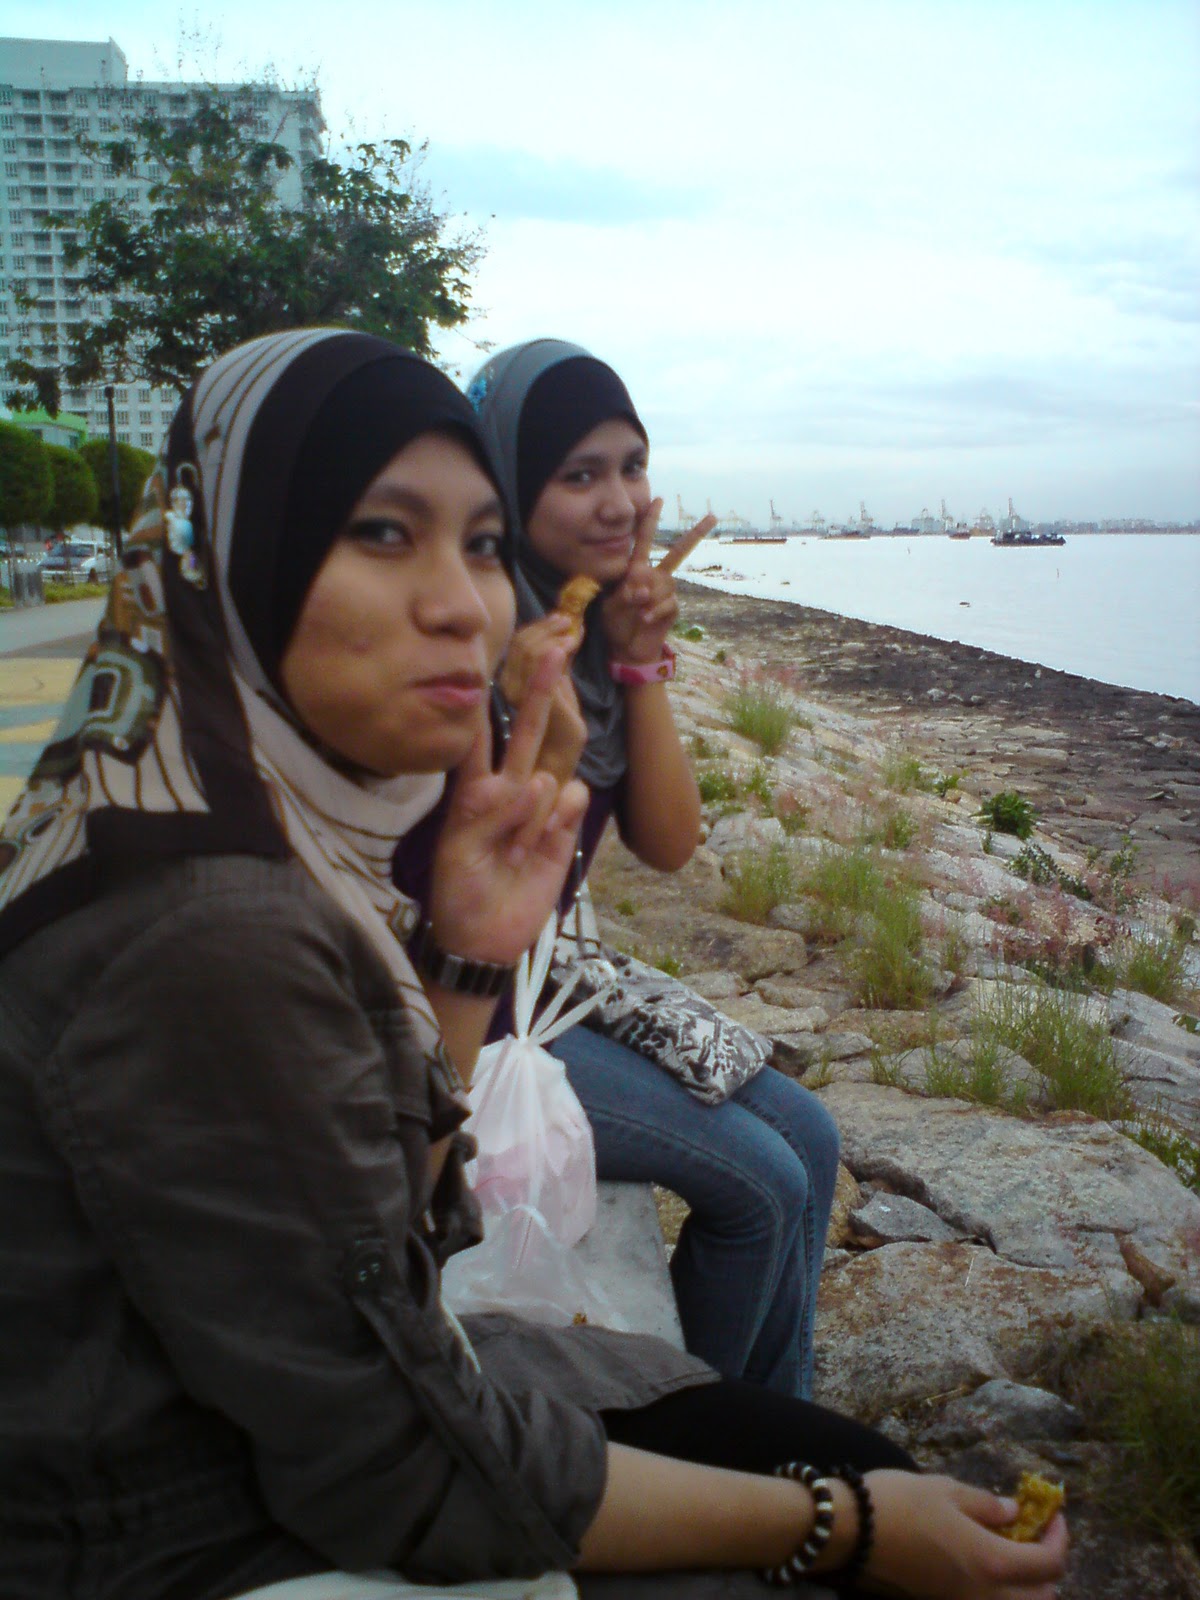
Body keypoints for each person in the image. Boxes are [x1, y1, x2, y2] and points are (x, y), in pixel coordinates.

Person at [0, 329, 1067, 1600]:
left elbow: (377, 1224)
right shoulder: (207, 928)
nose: (461, 600)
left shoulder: (200, 796)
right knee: (791, 1281)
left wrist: (464, 948)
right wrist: (844, 1526)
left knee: (805, 1180)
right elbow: (391, 1465)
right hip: (176, 1512)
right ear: (233, 552)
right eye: (382, 532)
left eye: (480, 543)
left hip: (311, 1354)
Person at [464, 338, 840, 1399]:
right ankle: (713, 1442)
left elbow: (669, 845)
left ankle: (782, 1419)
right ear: (506, 483)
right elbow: (482, 874)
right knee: (761, 1185)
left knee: (810, 1135)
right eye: (579, 473)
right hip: (467, 1007)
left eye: (633, 466)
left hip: (551, 979)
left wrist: (637, 664)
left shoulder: (586, 624)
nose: (621, 500)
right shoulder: (478, 631)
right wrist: (532, 705)